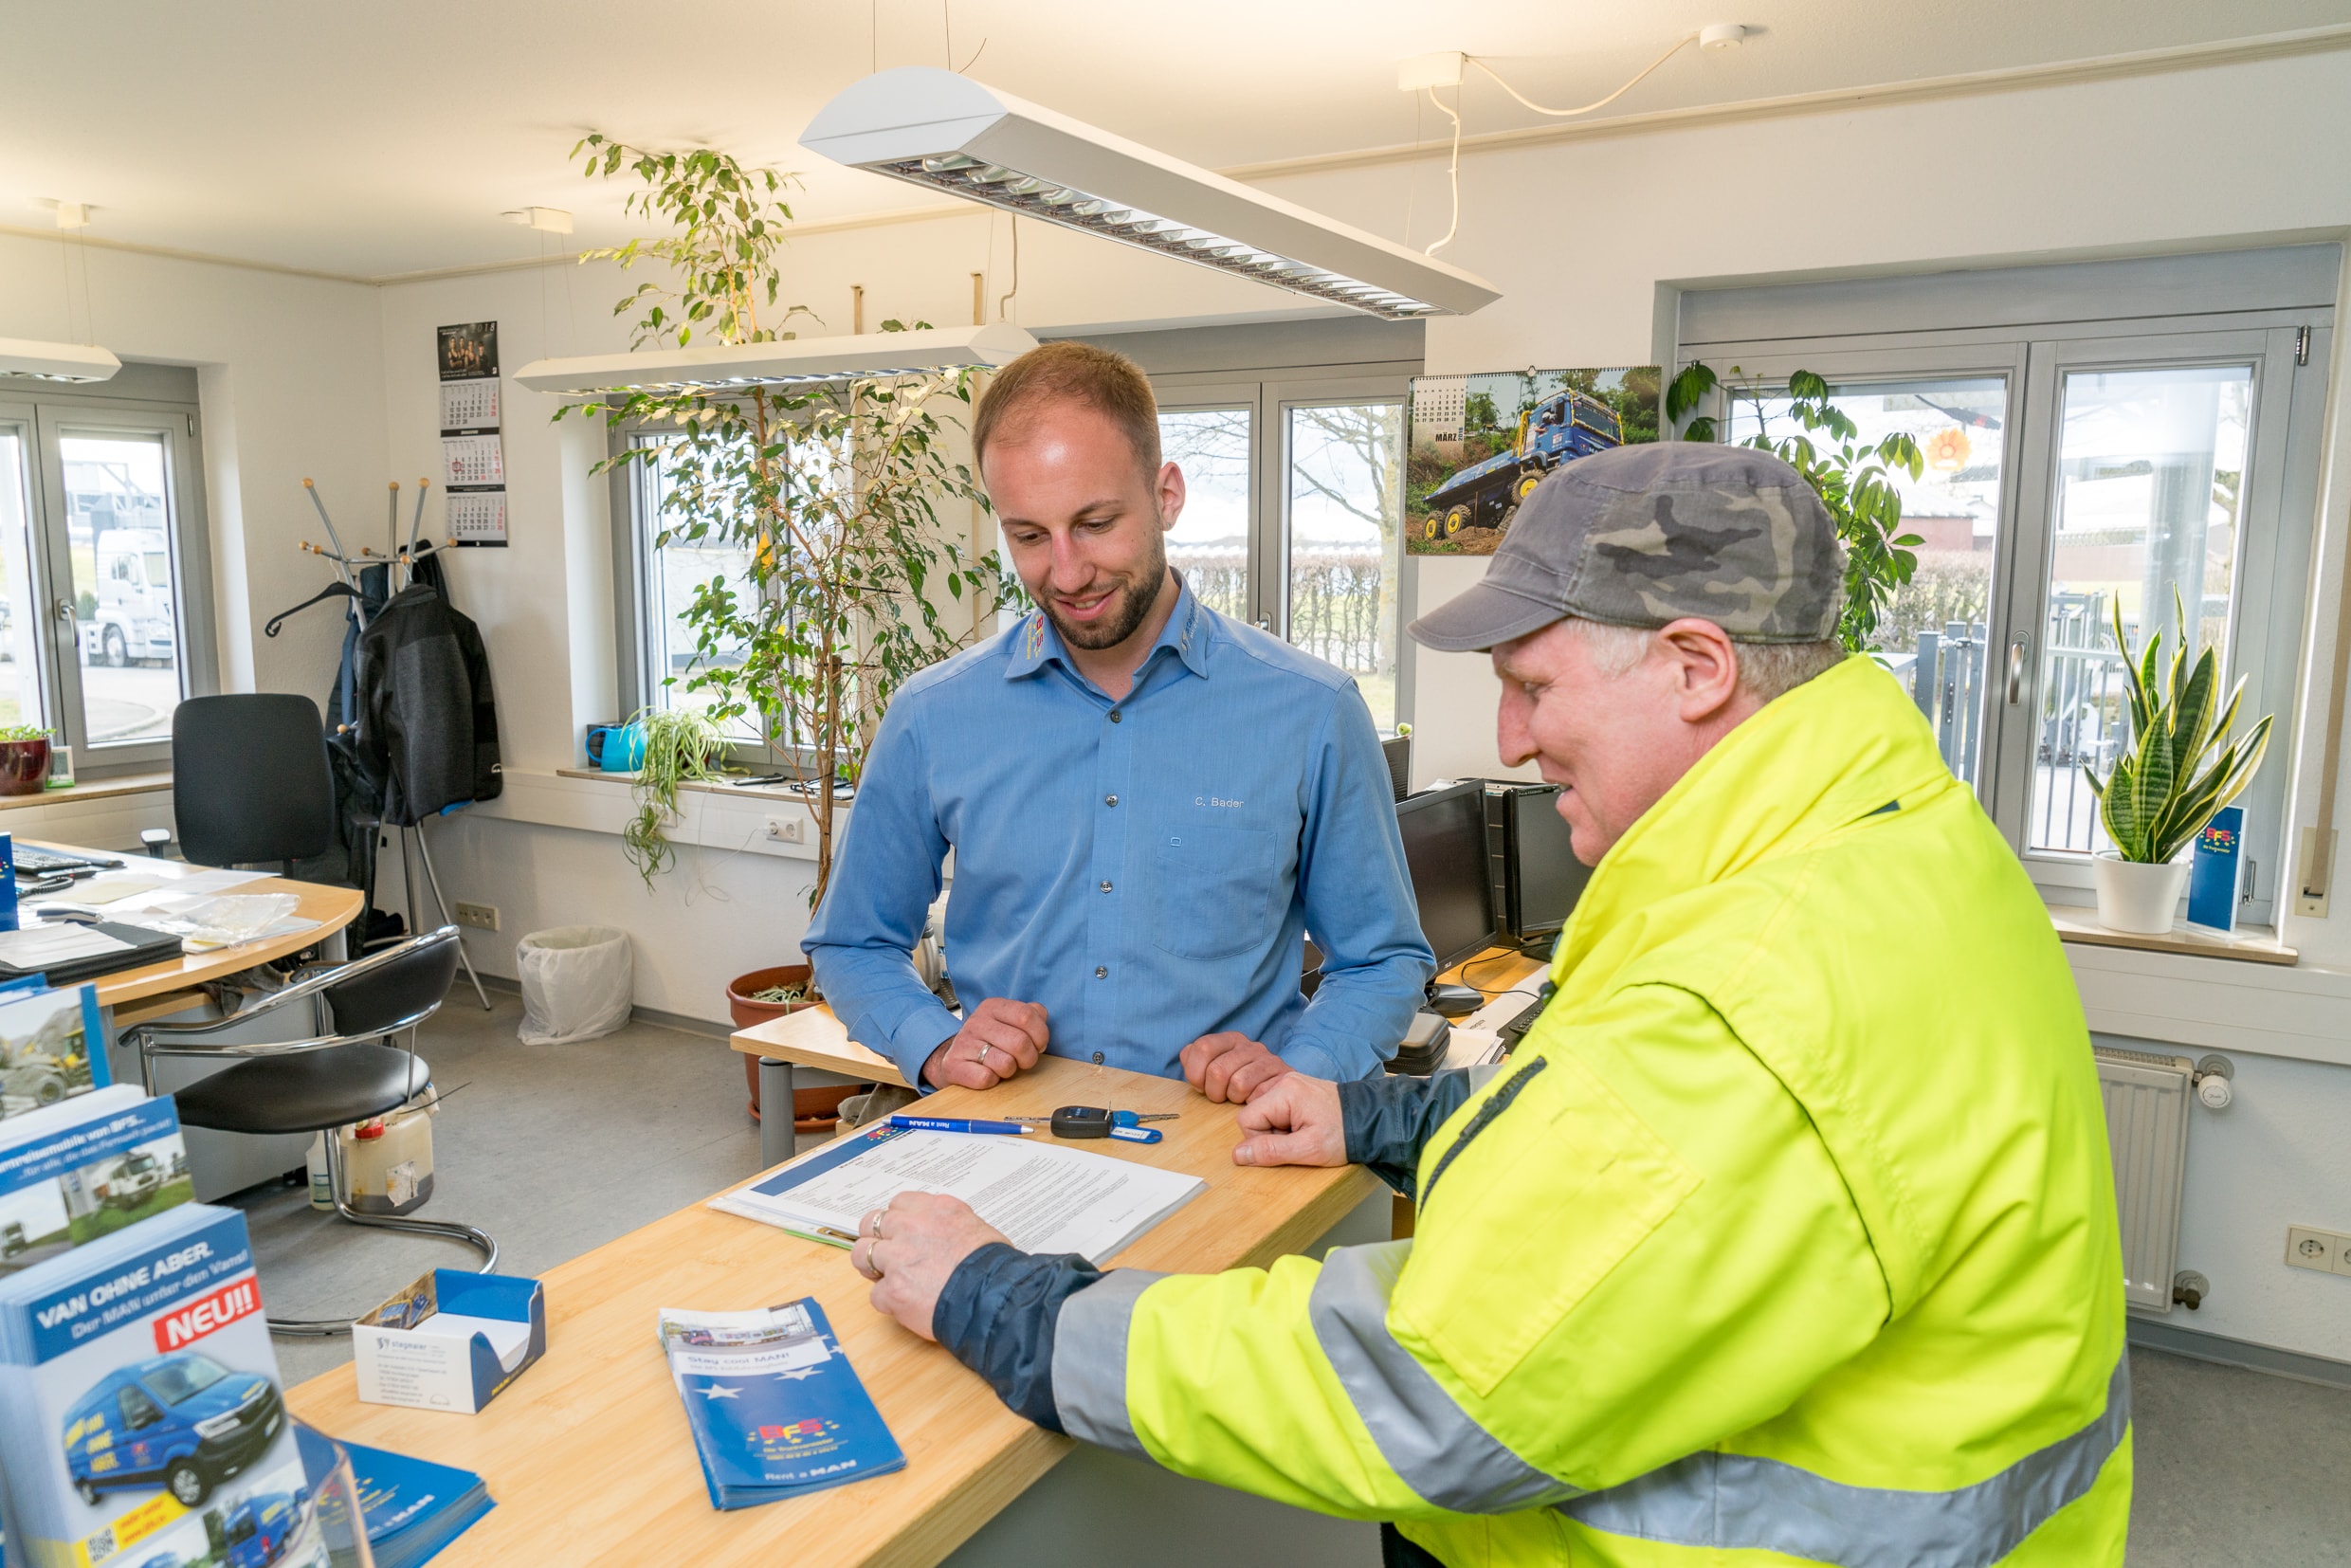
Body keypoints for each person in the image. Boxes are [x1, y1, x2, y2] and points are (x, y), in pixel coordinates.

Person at [846, 443, 2131, 1567]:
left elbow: (1431, 1385)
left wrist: (1009, 1306)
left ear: (1694, 668)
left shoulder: (1754, 988)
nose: (1509, 739)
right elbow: (1630, 1138)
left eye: (1536, 685)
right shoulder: (1893, 839)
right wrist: (1384, 1117)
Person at [803, 341, 1433, 1105]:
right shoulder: (933, 715)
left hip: (1227, 1152)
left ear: (1166, 494)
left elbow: (1380, 959)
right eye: (1029, 536)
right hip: (1005, 1145)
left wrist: (1304, 1070)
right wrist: (933, 1043)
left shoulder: (1312, 711)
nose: (1065, 574)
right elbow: (853, 941)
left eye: (1096, 523)